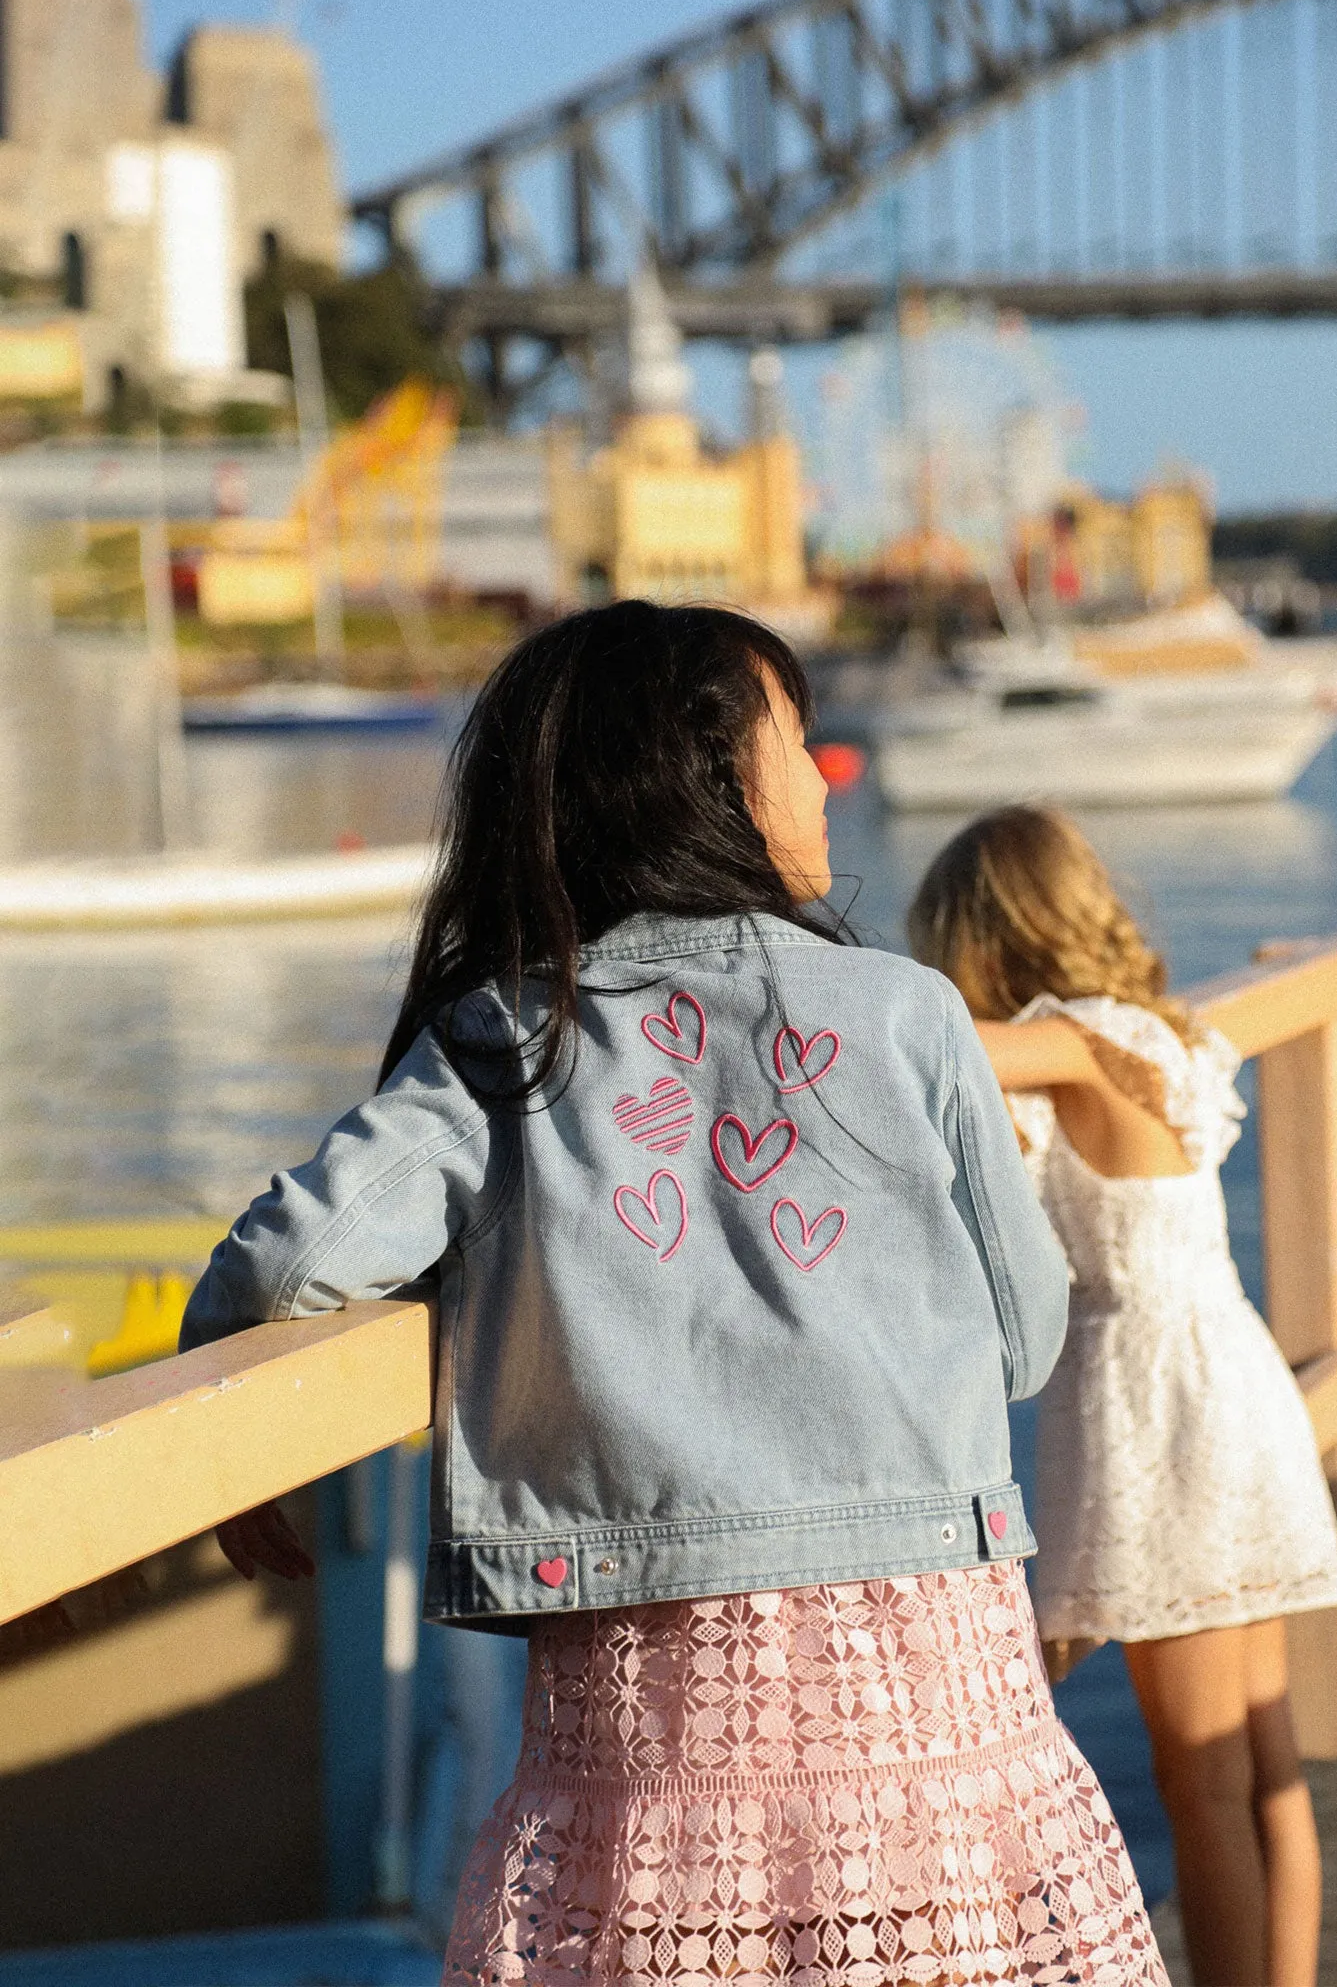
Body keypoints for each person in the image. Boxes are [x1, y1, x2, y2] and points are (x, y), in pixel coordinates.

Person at [180, 605, 1168, 1985]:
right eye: (795, 741)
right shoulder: (908, 1014)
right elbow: (1021, 1336)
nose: (827, 772)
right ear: (703, 777)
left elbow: (293, 1260)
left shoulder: (511, 1038)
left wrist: (229, 1447)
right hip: (923, 1638)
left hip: (650, 1660)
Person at [908, 804, 1337, 1987]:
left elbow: (929, 1034)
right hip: (1232, 1379)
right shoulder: (1167, 1034)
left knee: (1195, 1778)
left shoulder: (1070, 1039)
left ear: (991, 939)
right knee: (1264, 1762)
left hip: (1157, 1412)